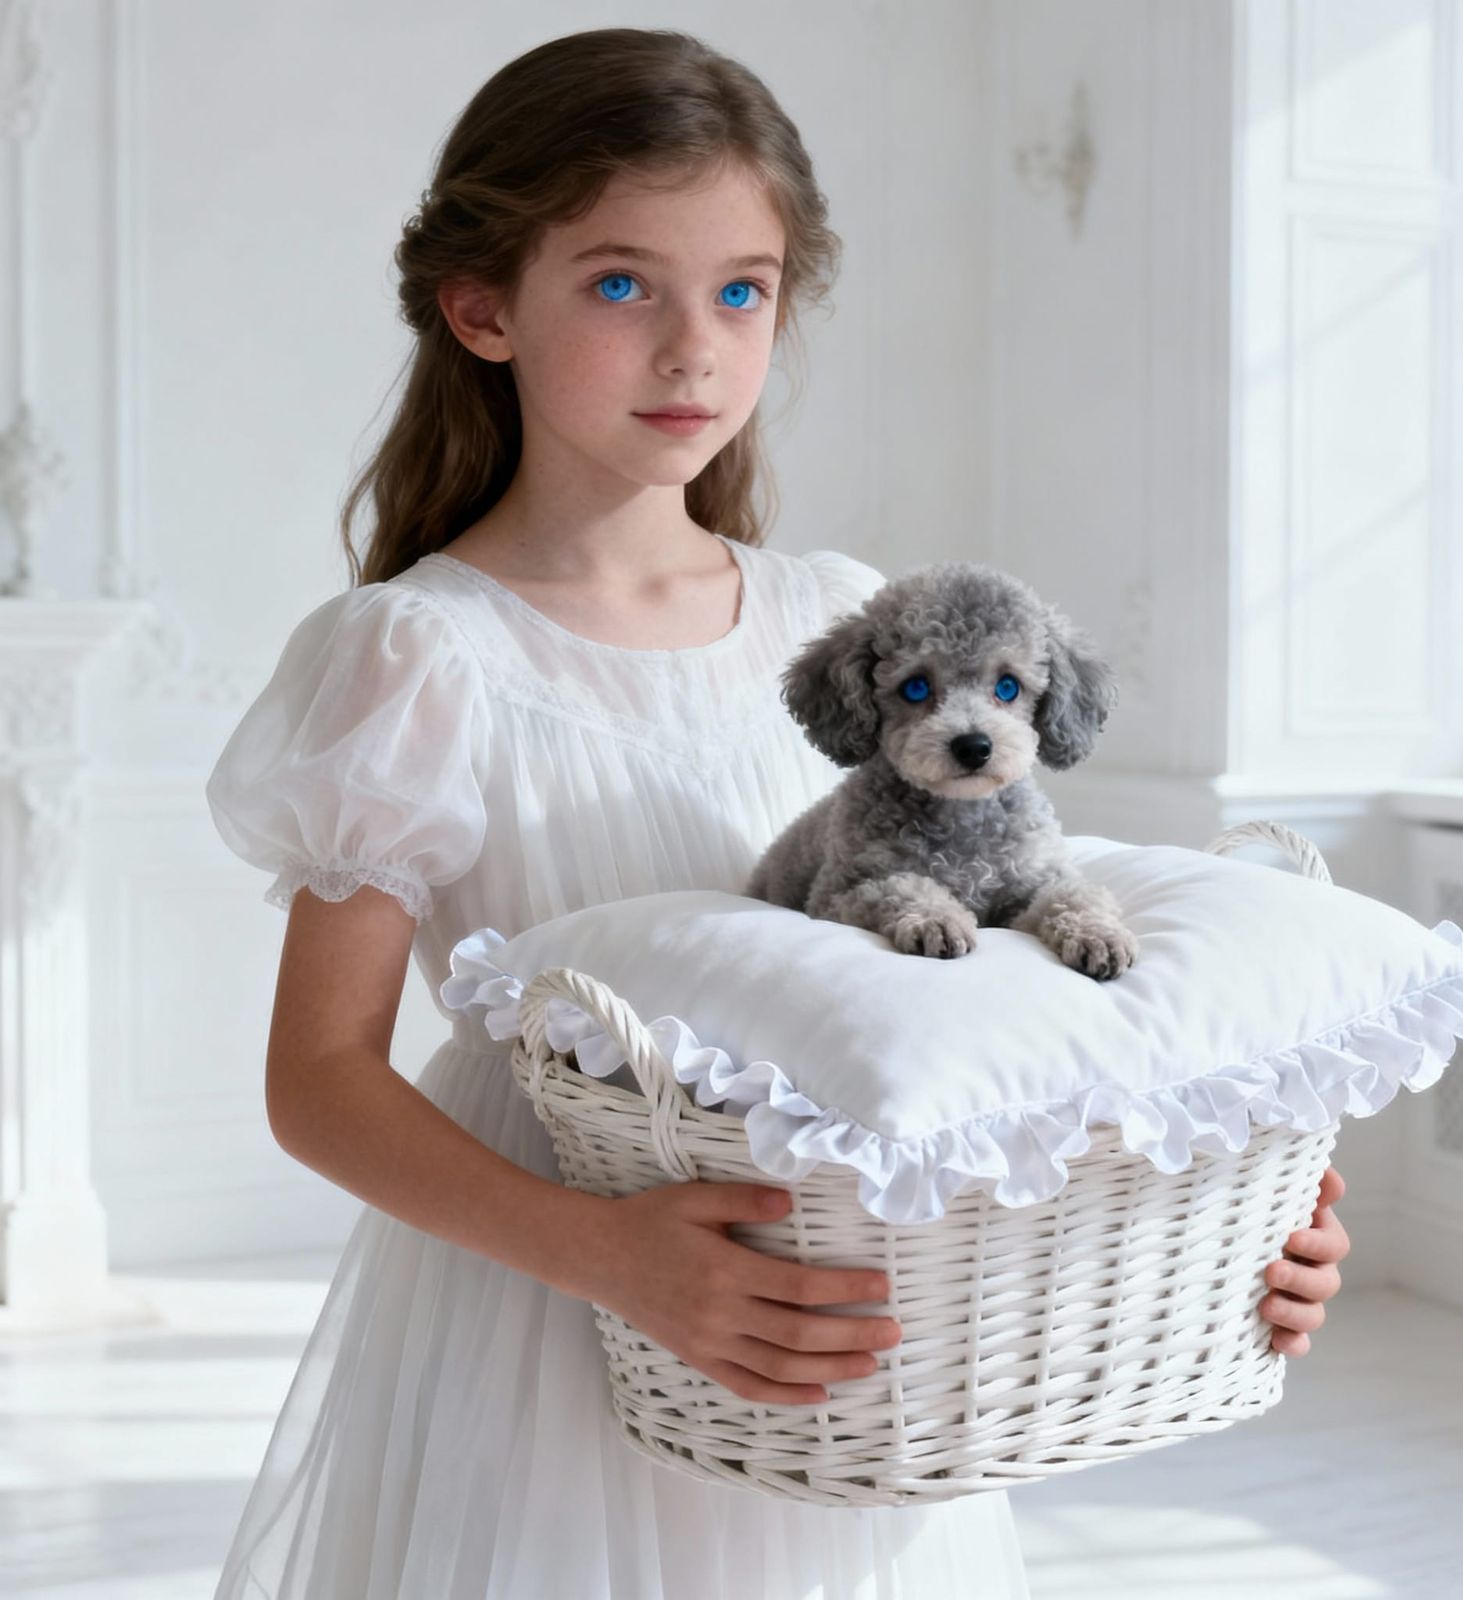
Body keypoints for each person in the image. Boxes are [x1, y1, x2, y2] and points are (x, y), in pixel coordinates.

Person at [204, 26, 1349, 1598]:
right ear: (482, 307)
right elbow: (316, 1082)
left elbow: (1005, 992)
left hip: (859, 1322)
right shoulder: (420, 651)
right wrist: (613, 1258)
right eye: (622, 285)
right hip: (559, 1304)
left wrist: (1238, 1202)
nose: (694, 349)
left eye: (741, 290)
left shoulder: (845, 622)